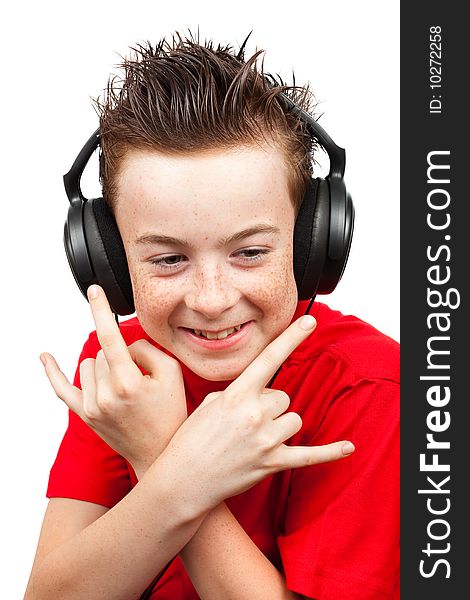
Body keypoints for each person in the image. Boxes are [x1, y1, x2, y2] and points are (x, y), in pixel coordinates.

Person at [25, 33, 399, 600]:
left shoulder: (370, 385)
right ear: (110, 259)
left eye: (249, 252)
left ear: (310, 243)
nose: (211, 298)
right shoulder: (126, 370)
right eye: (168, 259)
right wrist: (178, 471)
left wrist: (158, 451)